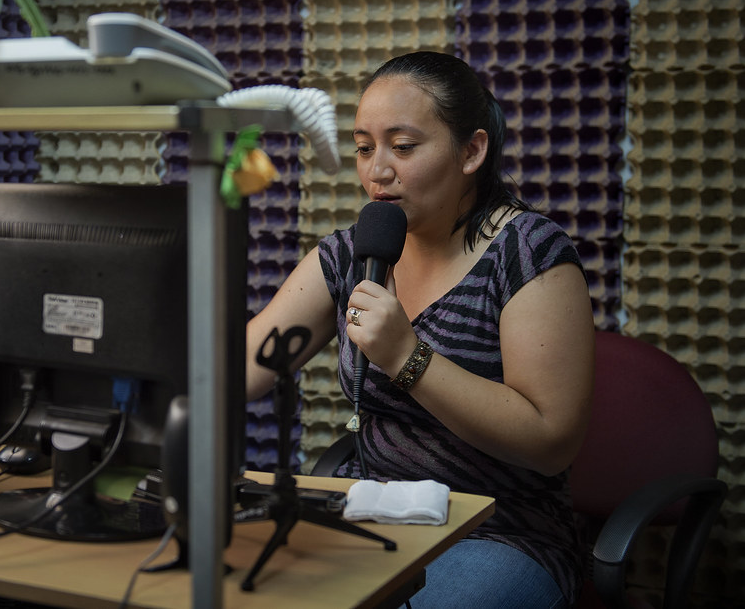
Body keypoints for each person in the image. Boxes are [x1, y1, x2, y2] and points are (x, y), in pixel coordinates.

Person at [245, 51, 595, 608]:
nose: (377, 171)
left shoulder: (528, 253)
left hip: (501, 534)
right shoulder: (351, 254)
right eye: (364, 148)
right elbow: (241, 366)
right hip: (376, 516)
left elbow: (551, 441)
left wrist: (408, 357)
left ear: (472, 151)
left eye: (402, 148)